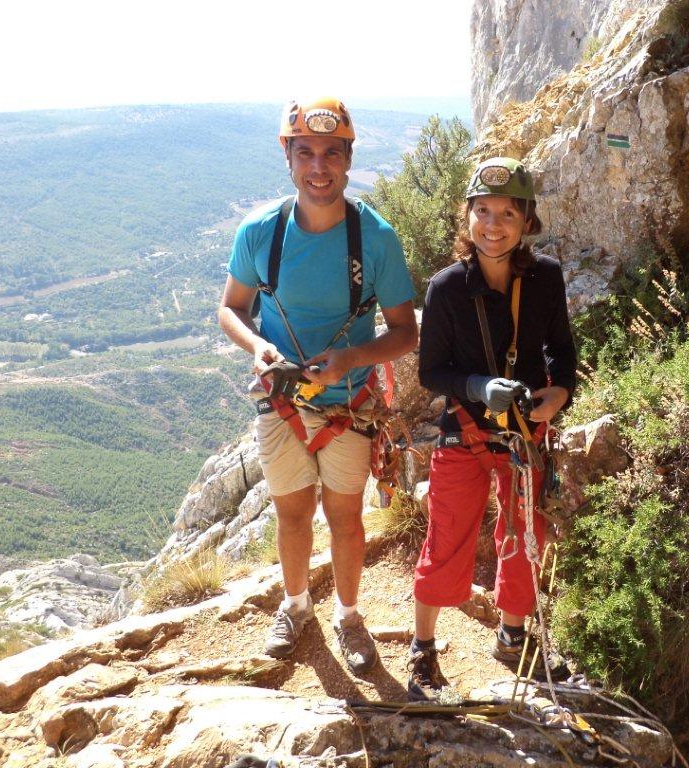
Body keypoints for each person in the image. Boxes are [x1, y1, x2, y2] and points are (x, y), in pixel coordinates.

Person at [218, 97, 418, 675]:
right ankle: (296, 605)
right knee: (292, 514)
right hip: (282, 402)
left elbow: (404, 331)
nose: (319, 166)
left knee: (346, 517)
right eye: (305, 152)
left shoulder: (375, 238)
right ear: (287, 156)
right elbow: (231, 309)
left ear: (349, 158)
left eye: (332, 152)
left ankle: (350, 618)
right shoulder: (261, 232)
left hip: (346, 405)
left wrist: (351, 356)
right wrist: (259, 347)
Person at [408, 157, 577, 701]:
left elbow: (561, 353)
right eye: (483, 210)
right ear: (468, 217)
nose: (493, 223)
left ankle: (512, 635)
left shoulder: (545, 277)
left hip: (525, 434)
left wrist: (560, 395)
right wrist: (481, 387)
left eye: (508, 212)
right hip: (465, 432)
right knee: (448, 537)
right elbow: (431, 371)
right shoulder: (446, 288)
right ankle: (423, 651)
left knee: (527, 536)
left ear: (527, 220)